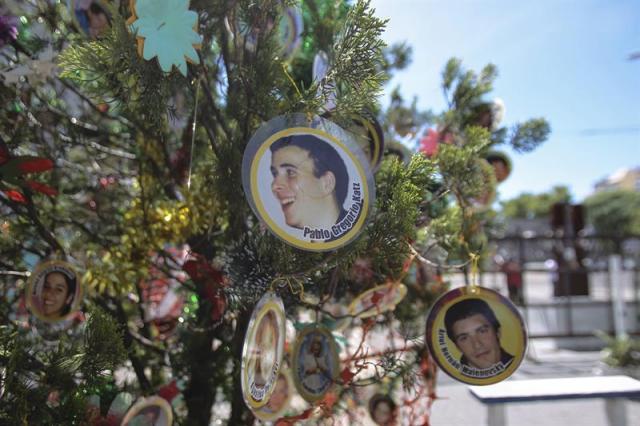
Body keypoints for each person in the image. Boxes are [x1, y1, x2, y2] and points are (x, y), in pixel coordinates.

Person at [270, 134, 349, 231]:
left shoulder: (360, 239)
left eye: (290, 172)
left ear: (327, 183)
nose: (274, 186)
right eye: (275, 174)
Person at [444, 298, 514, 370]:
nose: (477, 345)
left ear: (498, 332)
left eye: (482, 331)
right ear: (457, 346)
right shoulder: (446, 379)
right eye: (464, 338)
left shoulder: (523, 374)